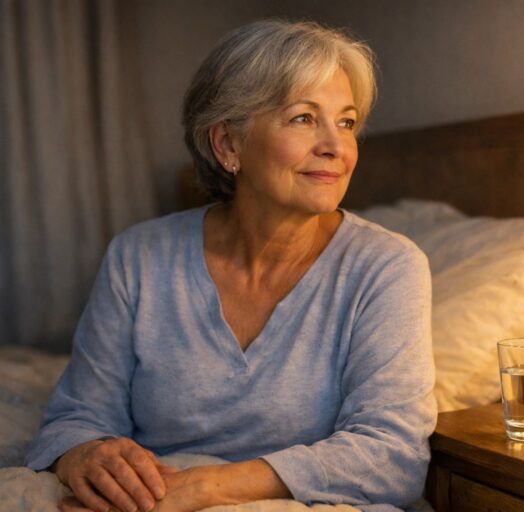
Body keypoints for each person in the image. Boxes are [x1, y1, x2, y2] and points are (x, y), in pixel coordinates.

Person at [26, 19, 436, 512]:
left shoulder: (387, 268)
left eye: (346, 122)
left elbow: (392, 455)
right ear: (228, 145)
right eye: (304, 118)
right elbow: (77, 417)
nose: (337, 147)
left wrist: (203, 487)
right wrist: (86, 458)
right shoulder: (138, 256)